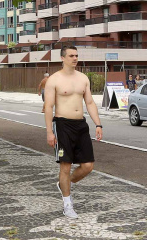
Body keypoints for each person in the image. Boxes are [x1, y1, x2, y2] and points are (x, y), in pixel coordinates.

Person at [44, 45, 103, 219]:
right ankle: (67, 205)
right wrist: (49, 132)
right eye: (71, 55)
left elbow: (90, 103)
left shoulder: (83, 78)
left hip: (81, 125)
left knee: (88, 166)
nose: (75, 58)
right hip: (62, 126)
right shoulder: (53, 80)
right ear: (62, 58)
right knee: (66, 165)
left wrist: (98, 124)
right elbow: (48, 107)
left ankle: (64, 184)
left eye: (76, 55)